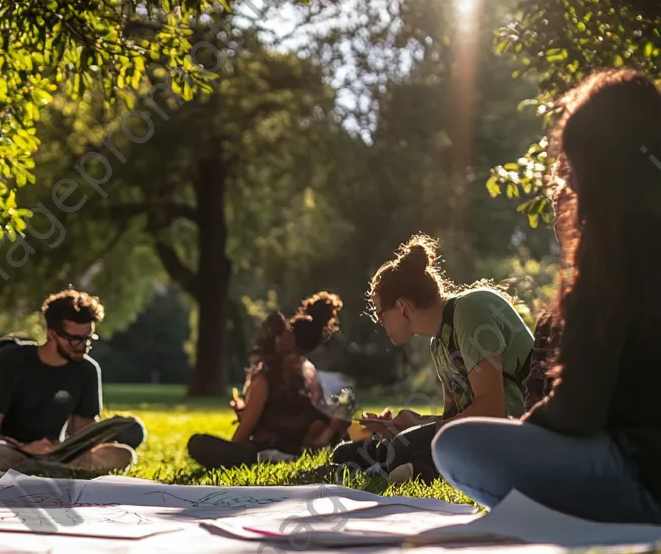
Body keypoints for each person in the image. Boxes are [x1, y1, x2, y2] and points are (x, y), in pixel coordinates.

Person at [433, 69, 661, 523]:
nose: (570, 185)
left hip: (638, 473)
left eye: (575, 167)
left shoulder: (613, 261)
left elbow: (579, 410)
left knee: (456, 445)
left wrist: (528, 429)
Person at [331, 234, 534, 483]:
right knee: (348, 452)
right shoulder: (438, 342)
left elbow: (492, 410)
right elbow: (456, 417)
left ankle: (407, 466)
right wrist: (409, 424)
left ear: (402, 306)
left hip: (521, 433)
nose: (380, 323)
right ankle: (404, 466)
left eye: (381, 315)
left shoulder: (471, 310)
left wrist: (420, 433)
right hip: (484, 435)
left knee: (402, 448)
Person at [0, 288, 145, 472]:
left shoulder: (87, 370)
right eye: (74, 339)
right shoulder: (9, 360)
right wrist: (24, 448)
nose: (83, 347)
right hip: (12, 448)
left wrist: (103, 433)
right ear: (52, 334)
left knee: (124, 455)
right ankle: (48, 467)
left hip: (57, 451)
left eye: (87, 339)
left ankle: (43, 467)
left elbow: (82, 432)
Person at [187, 293, 347, 469]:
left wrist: (243, 420)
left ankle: (274, 459)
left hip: (271, 451)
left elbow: (241, 437)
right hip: (302, 450)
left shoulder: (265, 378)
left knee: (198, 443)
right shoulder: (309, 371)